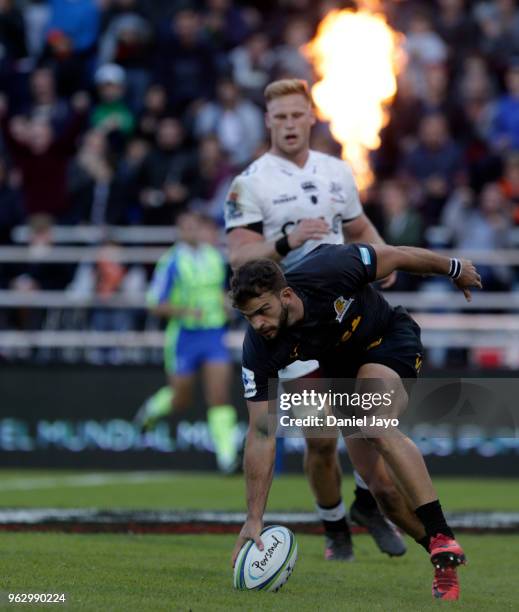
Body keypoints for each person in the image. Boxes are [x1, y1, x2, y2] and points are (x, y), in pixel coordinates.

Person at [230, 243, 482, 600]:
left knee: (375, 421)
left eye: (263, 311)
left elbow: (395, 256)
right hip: (343, 377)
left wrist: (454, 268)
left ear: (285, 294)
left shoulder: (329, 268)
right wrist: (254, 517)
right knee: (385, 495)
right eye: (249, 317)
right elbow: (260, 433)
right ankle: (443, 557)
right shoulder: (259, 347)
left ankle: (441, 532)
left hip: (389, 340)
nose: (258, 323)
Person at [225, 78, 404, 561]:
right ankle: (334, 528)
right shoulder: (250, 182)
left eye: (295, 115)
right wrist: (286, 240)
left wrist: (382, 257)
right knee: (320, 438)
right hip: (293, 327)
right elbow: (240, 256)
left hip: (344, 313)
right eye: (279, 117)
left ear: (310, 117)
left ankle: (367, 505)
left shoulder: (336, 171)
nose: (288, 124)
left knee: (370, 424)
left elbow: (359, 226)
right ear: (268, 121)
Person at [135, 212, 238, 473]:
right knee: (181, 398)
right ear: (180, 231)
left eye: (197, 227)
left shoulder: (215, 257)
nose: (193, 232)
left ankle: (227, 457)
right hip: (184, 335)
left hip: (213, 333)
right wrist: (185, 312)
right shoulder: (171, 262)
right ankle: (152, 410)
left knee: (219, 395)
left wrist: (226, 304)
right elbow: (155, 304)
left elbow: (221, 290)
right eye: (188, 228)